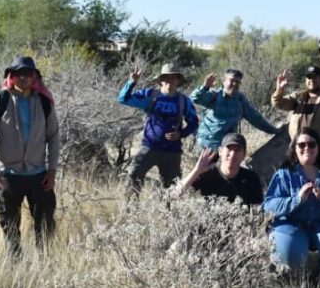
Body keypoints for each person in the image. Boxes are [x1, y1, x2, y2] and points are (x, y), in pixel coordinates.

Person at [0, 56, 60, 256]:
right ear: (11, 76)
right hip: (8, 174)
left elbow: (54, 137)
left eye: (28, 73)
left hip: (39, 175)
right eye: (18, 74)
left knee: (45, 223)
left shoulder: (44, 102)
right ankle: (15, 265)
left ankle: (45, 262)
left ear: (34, 77)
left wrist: (52, 171)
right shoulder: (0, 100)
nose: (23, 77)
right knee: (10, 224)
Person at [262, 128, 320, 283]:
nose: (307, 148)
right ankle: (294, 276)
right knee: (289, 255)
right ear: (294, 149)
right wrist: (297, 200)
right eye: (301, 145)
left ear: (319, 148)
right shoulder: (284, 173)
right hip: (290, 224)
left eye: (311, 144)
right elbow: (269, 204)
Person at [117, 64, 199, 194]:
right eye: (166, 78)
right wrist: (131, 82)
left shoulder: (184, 101)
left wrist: (181, 134)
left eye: (173, 78)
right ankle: (130, 205)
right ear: (161, 80)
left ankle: (164, 207)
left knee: (171, 188)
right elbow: (123, 99)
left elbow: (194, 122)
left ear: (178, 81)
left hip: (172, 152)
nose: (169, 81)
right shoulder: (150, 95)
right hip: (149, 147)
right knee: (134, 175)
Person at [191, 68, 280, 151]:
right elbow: (194, 98)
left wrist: (274, 131)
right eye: (232, 80)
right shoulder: (214, 95)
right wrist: (205, 87)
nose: (234, 84)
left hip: (226, 147)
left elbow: (256, 119)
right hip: (206, 145)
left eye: (237, 82)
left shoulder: (241, 100)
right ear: (224, 81)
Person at [271, 65, 320, 161]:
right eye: (309, 77)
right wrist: (279, 89)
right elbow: (278, 103)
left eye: (315, 77)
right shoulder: (298, 97)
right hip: (298, 148)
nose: (311, 80)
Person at [174, 133, 262, 206]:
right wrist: (196, 170)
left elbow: (257, 208)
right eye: (229, 149)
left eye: (237, 150)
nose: (232, 154)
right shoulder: (206, 174)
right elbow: (175, 194)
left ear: (244, 154)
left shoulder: (251, 178)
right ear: (220, 151)